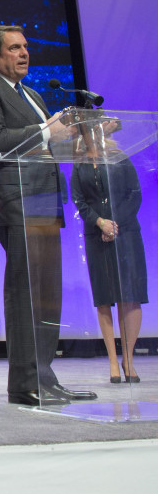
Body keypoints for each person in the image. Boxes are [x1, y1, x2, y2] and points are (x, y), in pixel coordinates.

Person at [0, 25, 97, 406]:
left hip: (44, 200)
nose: (24, 53)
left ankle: (45, 375)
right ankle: (25, 382)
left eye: (25, 47)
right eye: (14, 48)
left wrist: (79, 138)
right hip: (17, 201)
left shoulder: (34, 94)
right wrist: (45, 130)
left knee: (47, 295)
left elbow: (49, 141)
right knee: (25, 293)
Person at [71, 126, 148, 384]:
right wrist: (100, 223)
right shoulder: (79, 165)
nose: (94, 134)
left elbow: (133, 195)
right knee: (105, 297)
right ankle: (113, 362)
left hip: (126, 233)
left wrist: (114, 223)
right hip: (97, 236)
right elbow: (79, 201)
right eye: (89, 130)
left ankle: (129, 359)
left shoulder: (120, 157)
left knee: (131, 295)